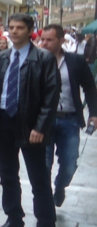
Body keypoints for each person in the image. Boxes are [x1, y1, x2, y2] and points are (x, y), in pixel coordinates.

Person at [0, 13, 60, 227]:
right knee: (7, 175)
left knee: (39, 178)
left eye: (19, 28)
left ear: (30, 31)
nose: (14, 31)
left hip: (30, 125)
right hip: (5, 121)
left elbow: (51, 96)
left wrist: (40, 127)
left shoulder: (43, 59)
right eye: (11, 27)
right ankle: (14, 219)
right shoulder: (2, 58)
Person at [38, 25, 97, 207]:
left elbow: (89, 87)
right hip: (44, 121)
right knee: (44, 163)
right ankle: (46, 199)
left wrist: (94, 113)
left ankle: (60, 186)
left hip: (69, 119)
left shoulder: (76, 62)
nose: (44, 43)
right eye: (43, 39)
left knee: (69, 162)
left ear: (62, 41)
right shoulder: (36, 61)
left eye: (49, 40)